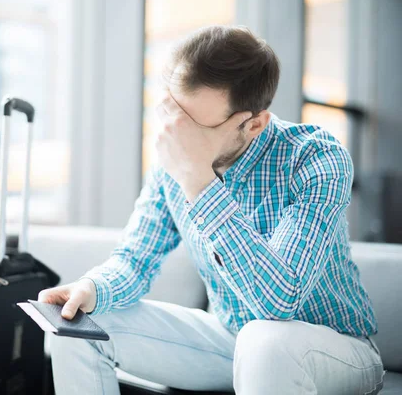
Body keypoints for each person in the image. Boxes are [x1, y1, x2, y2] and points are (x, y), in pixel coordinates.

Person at [37, 25, 384, 395]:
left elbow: (280, 302)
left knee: (265, 340)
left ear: (252, 124)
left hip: (336, 348)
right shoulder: (172, 160)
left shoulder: (316, 157)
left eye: (193, 125)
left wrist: (200, 183)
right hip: (231, 339)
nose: (173, 132)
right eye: (170, 111)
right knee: (75, 327)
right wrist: (92, 287)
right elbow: (134, 260)